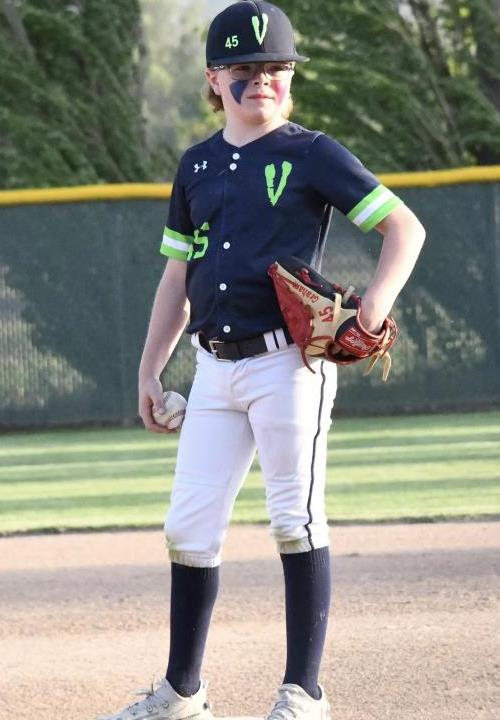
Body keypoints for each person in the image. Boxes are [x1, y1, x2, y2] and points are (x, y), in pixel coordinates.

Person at [98, 2, 425, 719]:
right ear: (214, 79)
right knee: (188, 529)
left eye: (276, 66)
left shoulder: (312, 154)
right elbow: (177, 278)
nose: (264, 79)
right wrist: (151, 369)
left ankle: (303, 693)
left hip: (289, 367)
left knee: (294, 520)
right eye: (245, 68)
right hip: (213, 369)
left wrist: (371, 308)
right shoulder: (196, 164)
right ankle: (182, 692)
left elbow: (405, 228)